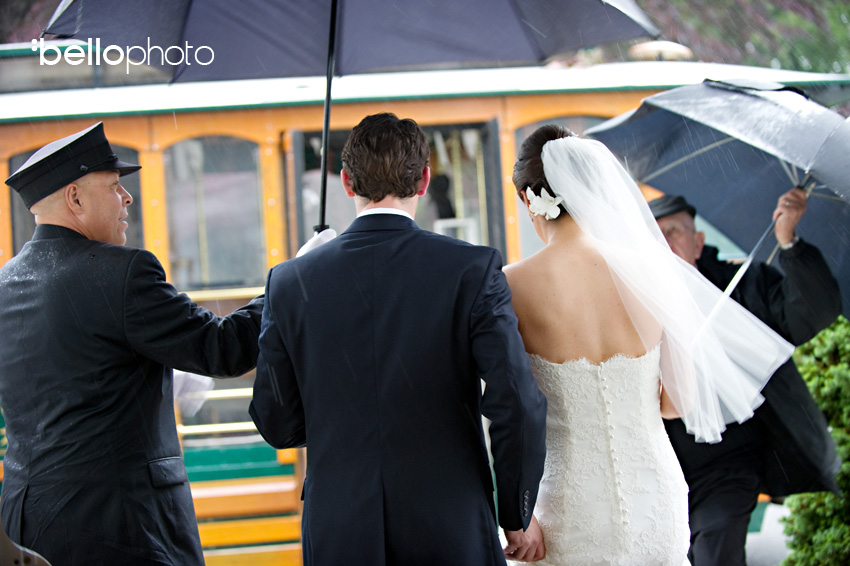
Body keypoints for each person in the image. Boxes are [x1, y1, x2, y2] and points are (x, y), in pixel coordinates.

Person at [249, 113, 548, 566]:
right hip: (449, 522)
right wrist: (515, 511)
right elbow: (517, 401)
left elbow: (275, 421)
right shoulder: (472, 270)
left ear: (346, 182)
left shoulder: (290, 282)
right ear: (424, 180)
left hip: (339, 528)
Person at [504, 125, 792, 566]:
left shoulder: (511, 285)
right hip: (656, 497)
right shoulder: (655, 273)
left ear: (529, 199)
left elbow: (509, 409)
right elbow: (677, 403)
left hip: (568, 507)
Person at [0, 122, 265, 566]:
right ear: (75, 198)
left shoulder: (5, 285)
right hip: (120, 528)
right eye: (114, 186)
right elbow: (224, 349)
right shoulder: (121, 273)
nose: (128, 199)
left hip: (25, 523)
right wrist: (291, 282)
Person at [649, 192, 841, 566]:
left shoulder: (740, 285)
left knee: (716, 553)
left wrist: (788, 240)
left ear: (698, 243)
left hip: (727, 466)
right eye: (655, 236)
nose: (665, 244)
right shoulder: (625, 302)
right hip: (659, 469)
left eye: (674, 232)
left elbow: (813, 310)